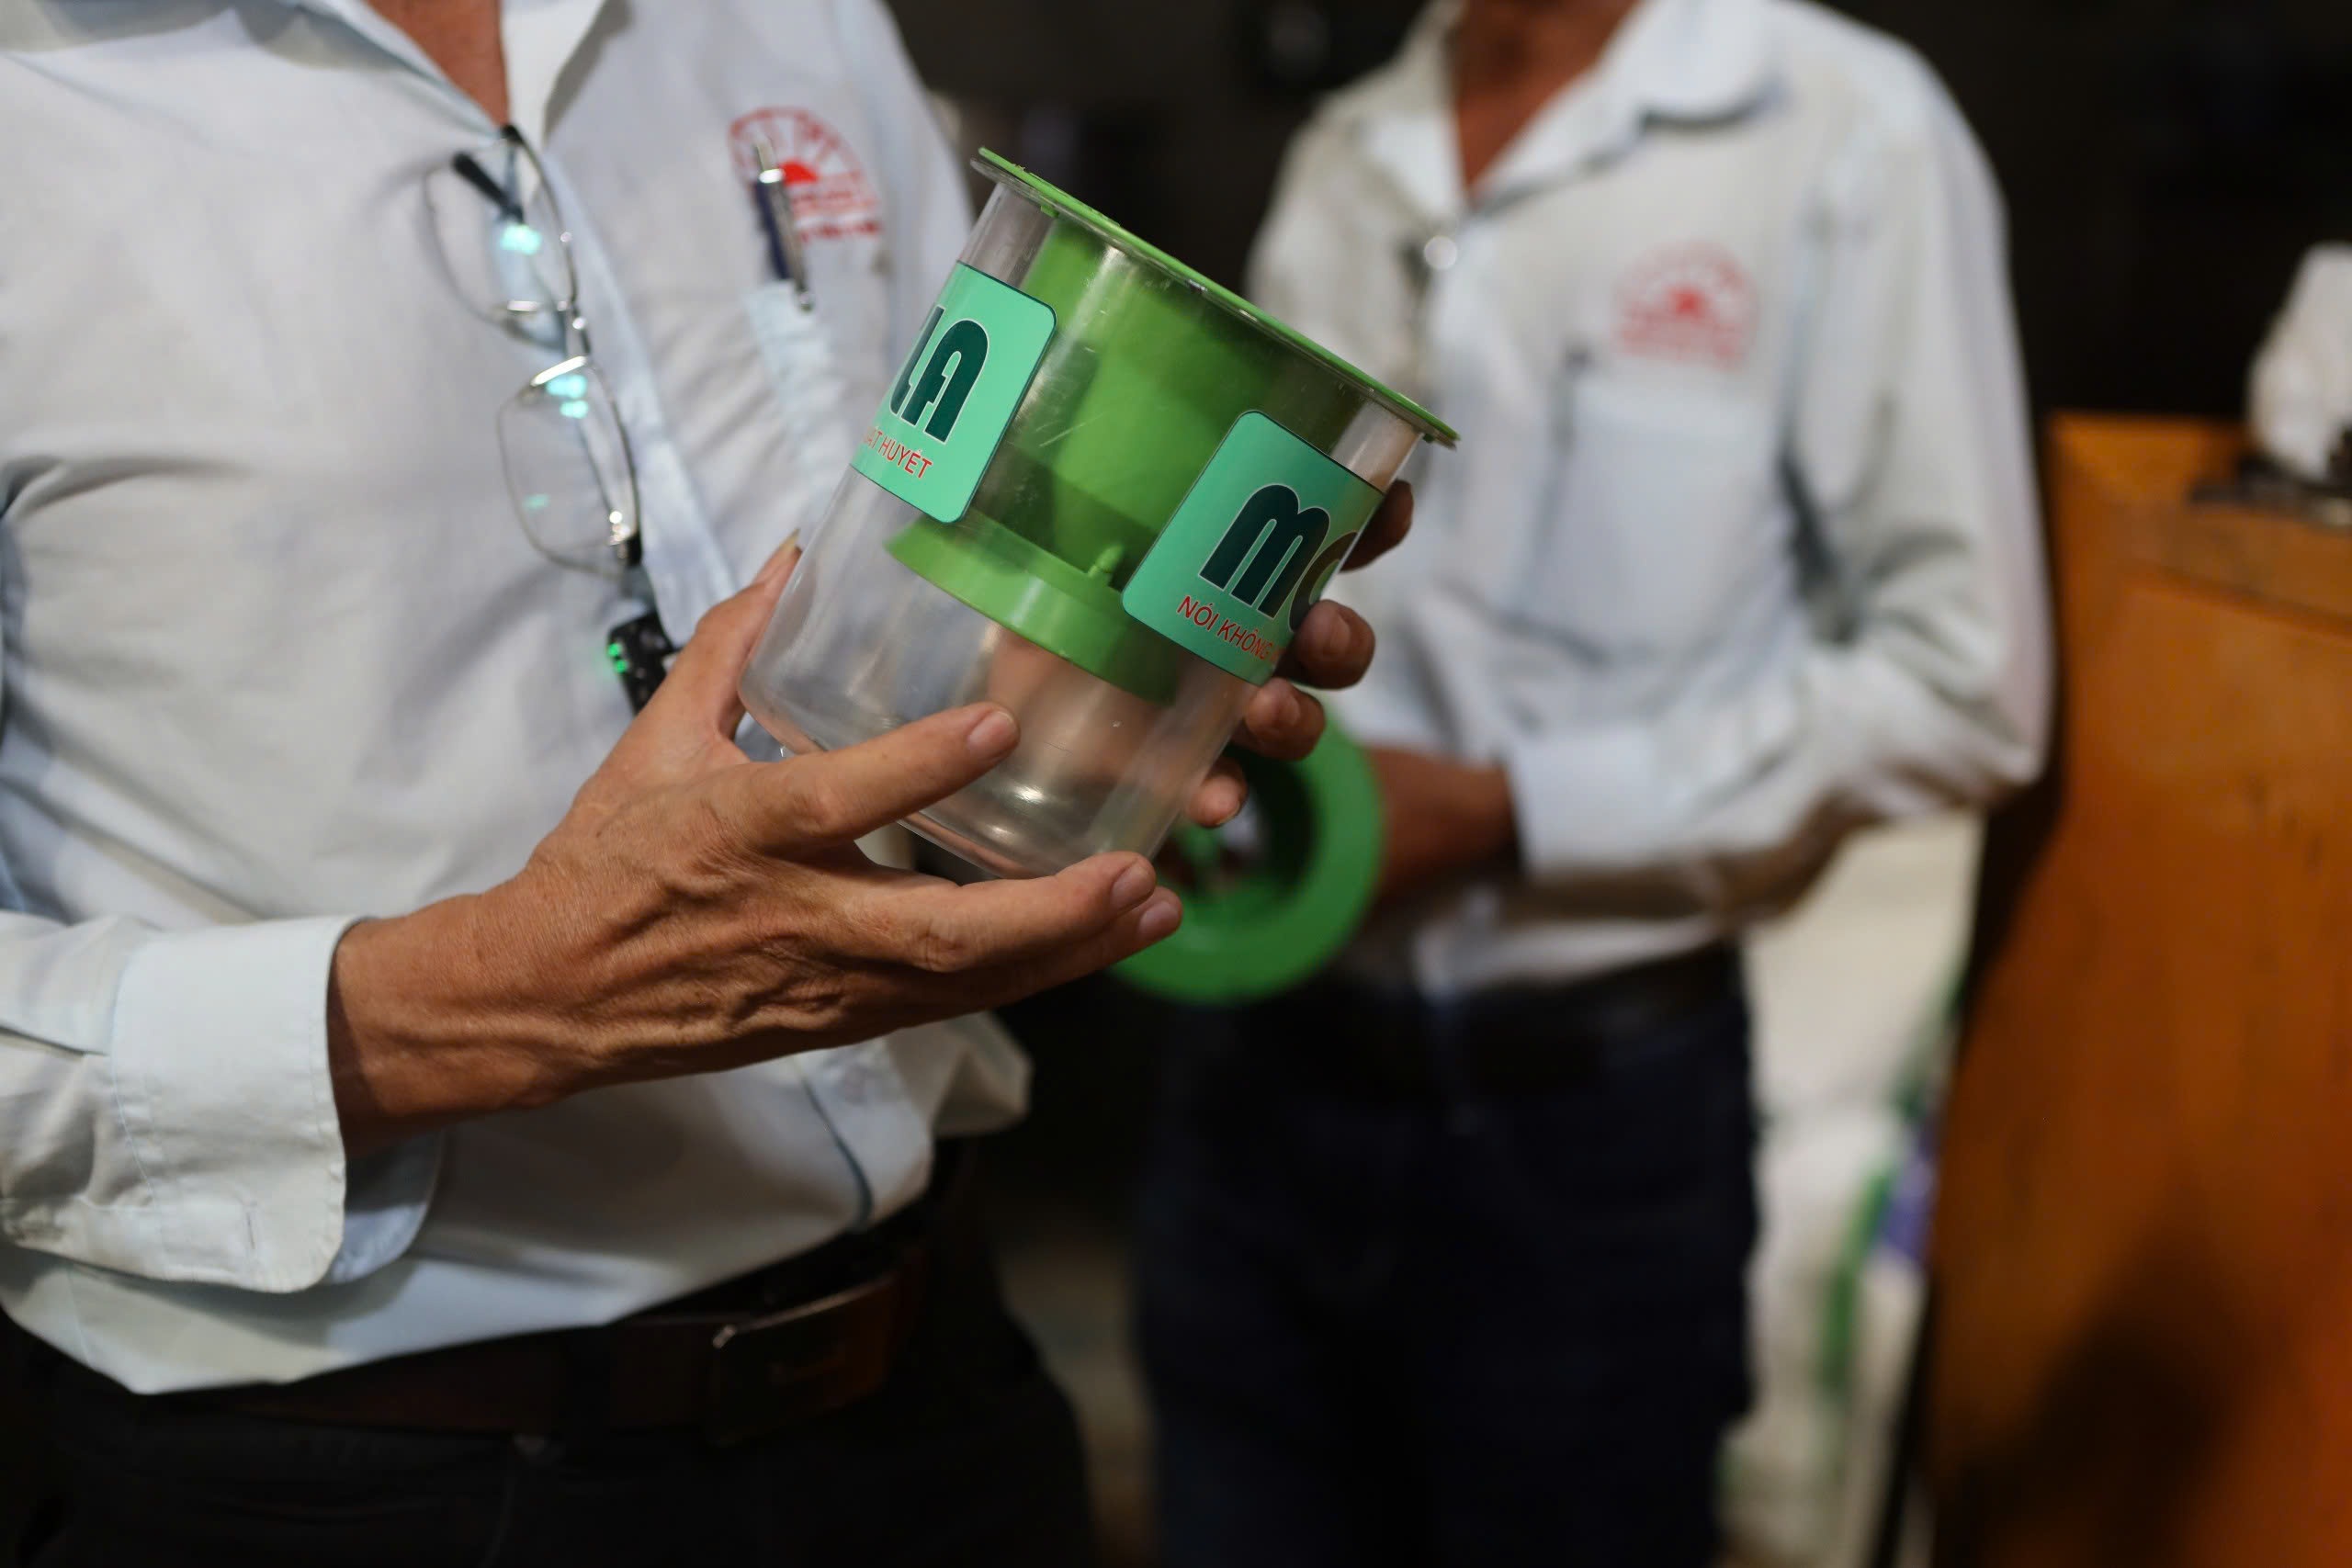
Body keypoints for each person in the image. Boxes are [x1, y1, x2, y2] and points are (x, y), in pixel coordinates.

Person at [0, 3, 1408, 1564]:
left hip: (939, 1388)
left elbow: (933, 574)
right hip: (346, 1480)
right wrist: (486, 1001)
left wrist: (1085, 674)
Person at [1136, 0, 2051, 1564]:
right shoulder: (1354, 147)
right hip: (1259, 1079)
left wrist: (1511, 815)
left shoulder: (1841, 127)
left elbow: (1965, 684)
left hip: (1588, 1132)